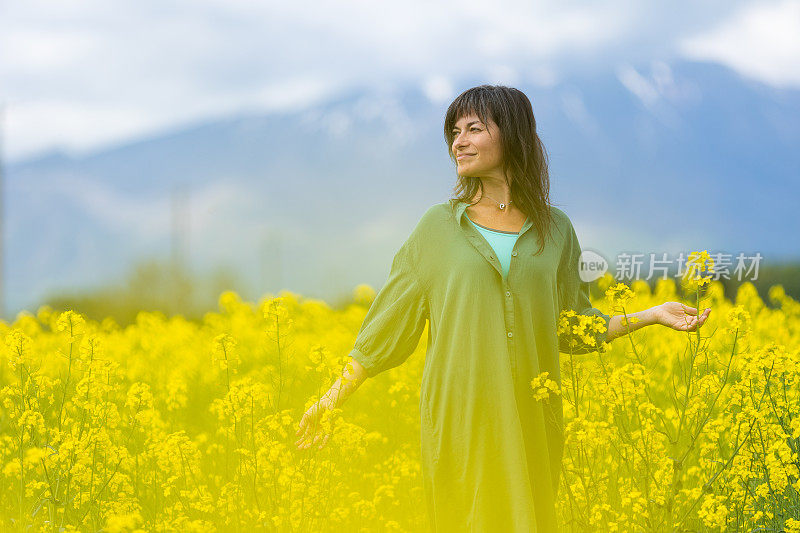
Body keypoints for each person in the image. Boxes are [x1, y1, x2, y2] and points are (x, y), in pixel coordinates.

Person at [296, 84, 711, 532]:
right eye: (454, 132)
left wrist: (649, 315)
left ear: (511, 134)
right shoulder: (437, 227)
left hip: (533, 419)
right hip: (461, 418)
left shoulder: (557, 230)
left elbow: (575, 327)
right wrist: (330, 400)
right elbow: (383, 331)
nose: (459, 141)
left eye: (474, 128)